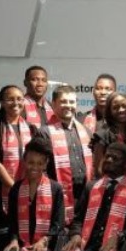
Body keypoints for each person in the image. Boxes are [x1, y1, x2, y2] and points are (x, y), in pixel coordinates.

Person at [37, 85, 93, 225]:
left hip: (84, 194)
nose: (68, 105)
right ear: (54, 104)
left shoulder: (86, 131)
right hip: (57, 195)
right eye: (63, 101)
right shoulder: (44, 132)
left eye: (71, 102)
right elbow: (39, 167)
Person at [0, 85, 35, 205]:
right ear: (2, 103)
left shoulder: (31, 128)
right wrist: (14, 188)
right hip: (0, 189)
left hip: (28, 188)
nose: (16, 103)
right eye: (10, 99)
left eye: (19, 99)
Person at [91, 92, 126, 179]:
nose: (121, 110)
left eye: (124, 106)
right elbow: (99, 170)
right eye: (115, 107)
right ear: (109, 111)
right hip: (111, 185)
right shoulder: (102, 135)